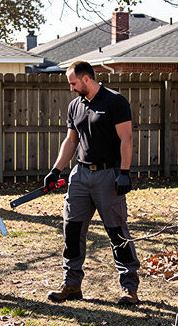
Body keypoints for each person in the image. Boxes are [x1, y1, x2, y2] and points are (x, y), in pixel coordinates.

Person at [44, 60, 140, 305]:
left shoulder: (114, 101)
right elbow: (71, 141)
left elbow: (126, 138)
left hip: (108, 175)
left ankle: (129, 288)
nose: (71, 88)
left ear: (86, 79)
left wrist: (124, 172)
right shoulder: (75, 105)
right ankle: (71, 284)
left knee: (116, 230)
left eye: (73, 83)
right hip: (80, 175)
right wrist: (56, 169)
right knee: (72, 229)